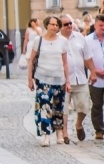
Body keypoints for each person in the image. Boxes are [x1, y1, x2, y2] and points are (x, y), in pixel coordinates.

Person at [27, 15, 71, 146]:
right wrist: (30, 79)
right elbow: (31, 61)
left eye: (57, 25)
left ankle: (59, 134)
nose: (55, 27)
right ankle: (46, 136)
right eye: (52, 24)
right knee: (45, 107)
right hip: (43, 79)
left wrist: (68, 81)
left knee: (58, 107)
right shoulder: (38, 40)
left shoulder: (63, 41)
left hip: (59, 79)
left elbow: (65, 63)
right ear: (47, 25)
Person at [60, 14, 95, 143]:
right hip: (63, 80)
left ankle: (78, 124)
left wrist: (93, 72)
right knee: (63, 108)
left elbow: (88, 57)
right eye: (66, 24)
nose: (69, 26)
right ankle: (65, 133)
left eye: (70, 23)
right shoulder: (57, 40)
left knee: (84, 106)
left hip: (80, 77)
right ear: (60, 27)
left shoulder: (80, 37)